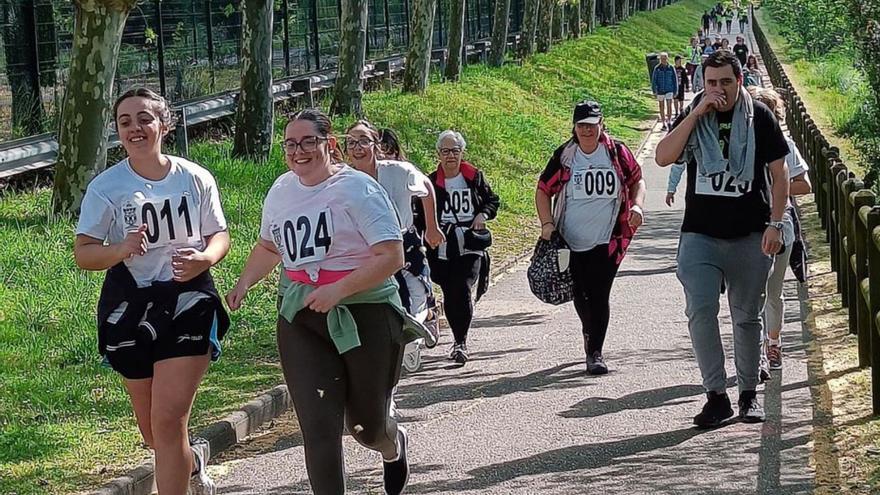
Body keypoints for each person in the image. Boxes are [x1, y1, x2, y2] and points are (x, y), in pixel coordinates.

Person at [226, 108, 424, 495]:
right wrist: (244, 282)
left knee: (366, 427)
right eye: (290, 144)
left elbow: (391, 256)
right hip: (302, 316)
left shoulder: (358, 189)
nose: (299, 151)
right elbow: (269, 246)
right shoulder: (282, 190)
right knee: (318, 429)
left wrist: (339, 289)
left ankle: (392, 444)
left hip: (366, 313)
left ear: (329, 145)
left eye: (309, 142)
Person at [74, 87, 230, 495]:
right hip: (131, 309)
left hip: (188, 301)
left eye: (144, 118)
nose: (135, 128)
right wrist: (121, 249)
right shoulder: (106, 187)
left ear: (165, 124)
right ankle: (193, 461)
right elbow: (84, 254)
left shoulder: (195, 177)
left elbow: (219, 235)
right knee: (152, 433)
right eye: (125, 122)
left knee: (167, 420)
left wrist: (205, 259)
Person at [655, 50, 790, 428]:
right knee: (700, 311)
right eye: (711, 83)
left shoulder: (759, 116)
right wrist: (696, 114)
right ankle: (716, 395)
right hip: (700, 234)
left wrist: (776, 224)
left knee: (746, 317)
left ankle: (748, 394)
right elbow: (665, 156)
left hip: (749, 233)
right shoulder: (697, 115)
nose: (718, 90)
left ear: (739, 82)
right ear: (703, 83)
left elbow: (779, 176)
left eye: (726, 82)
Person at [535, 100, 646, 375]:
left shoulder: (616, 152)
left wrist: (637, 205)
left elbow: (637, 180)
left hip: (608, 238)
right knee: (580, 294)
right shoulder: (565, 156)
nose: (587, 131)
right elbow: (542, 190)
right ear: (574, 127)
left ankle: (595, 352)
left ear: (601, 125)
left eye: (592, 125)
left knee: (599, 294)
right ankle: (589, 330)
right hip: (570, 240)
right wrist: (547, 223)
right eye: (582, 125)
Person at [345, 120, 444, 371]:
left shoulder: (398, 171)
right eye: (352, 143)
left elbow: (427, 188)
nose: (358, 148)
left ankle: (417, 331)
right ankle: (396, 344)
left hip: (403, 242)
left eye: (364, 141)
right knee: (383, 304)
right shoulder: (344, 180)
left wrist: (431, 227)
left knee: (416, 293)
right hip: (367, 249)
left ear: (376, 144)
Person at [749, 87, 812, 375]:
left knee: (772, 291)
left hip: (779, 225)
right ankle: (754, 352)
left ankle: (772, 344)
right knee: (750, 294)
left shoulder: (785, 144)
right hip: (745, 226)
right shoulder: (739, 144)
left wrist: (776, 189)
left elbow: (804, 185)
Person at [423, 130, 500, 365]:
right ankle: (453, 330)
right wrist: (430, 231)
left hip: (469, 244)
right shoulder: (430, 181)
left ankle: (460, 342)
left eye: (455, 151)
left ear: (461, 153)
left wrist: (481, 215)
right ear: (438, 154)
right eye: (445, 151)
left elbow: (492, 201)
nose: (450, 156)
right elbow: (420, 213)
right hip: (442, 246)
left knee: (463, 288)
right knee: (449, 291)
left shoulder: (474, 177)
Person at [652, 52, 678, 131]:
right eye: (662, 59)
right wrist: (654, 90)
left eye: (665, 58)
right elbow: (654, 80)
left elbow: (675, 79)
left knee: (669, 105)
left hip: (669, 89)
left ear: (667, 59)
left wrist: (675, 90)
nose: (663, 60)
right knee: (661, 106)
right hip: (660, 90)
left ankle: (669, 121)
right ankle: (663, 122)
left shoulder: (671, 68)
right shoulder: (657, 68)